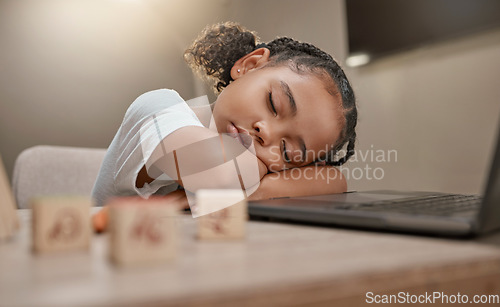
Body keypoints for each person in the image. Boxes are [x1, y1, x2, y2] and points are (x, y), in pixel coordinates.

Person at [91, 22, 357, 230]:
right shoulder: (158, 108)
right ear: (250, 65)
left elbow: (334, 180)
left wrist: (236, 196)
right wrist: (266, 176)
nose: (267, 134)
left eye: (288, 151)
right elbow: (221, 177)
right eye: (273, 104)